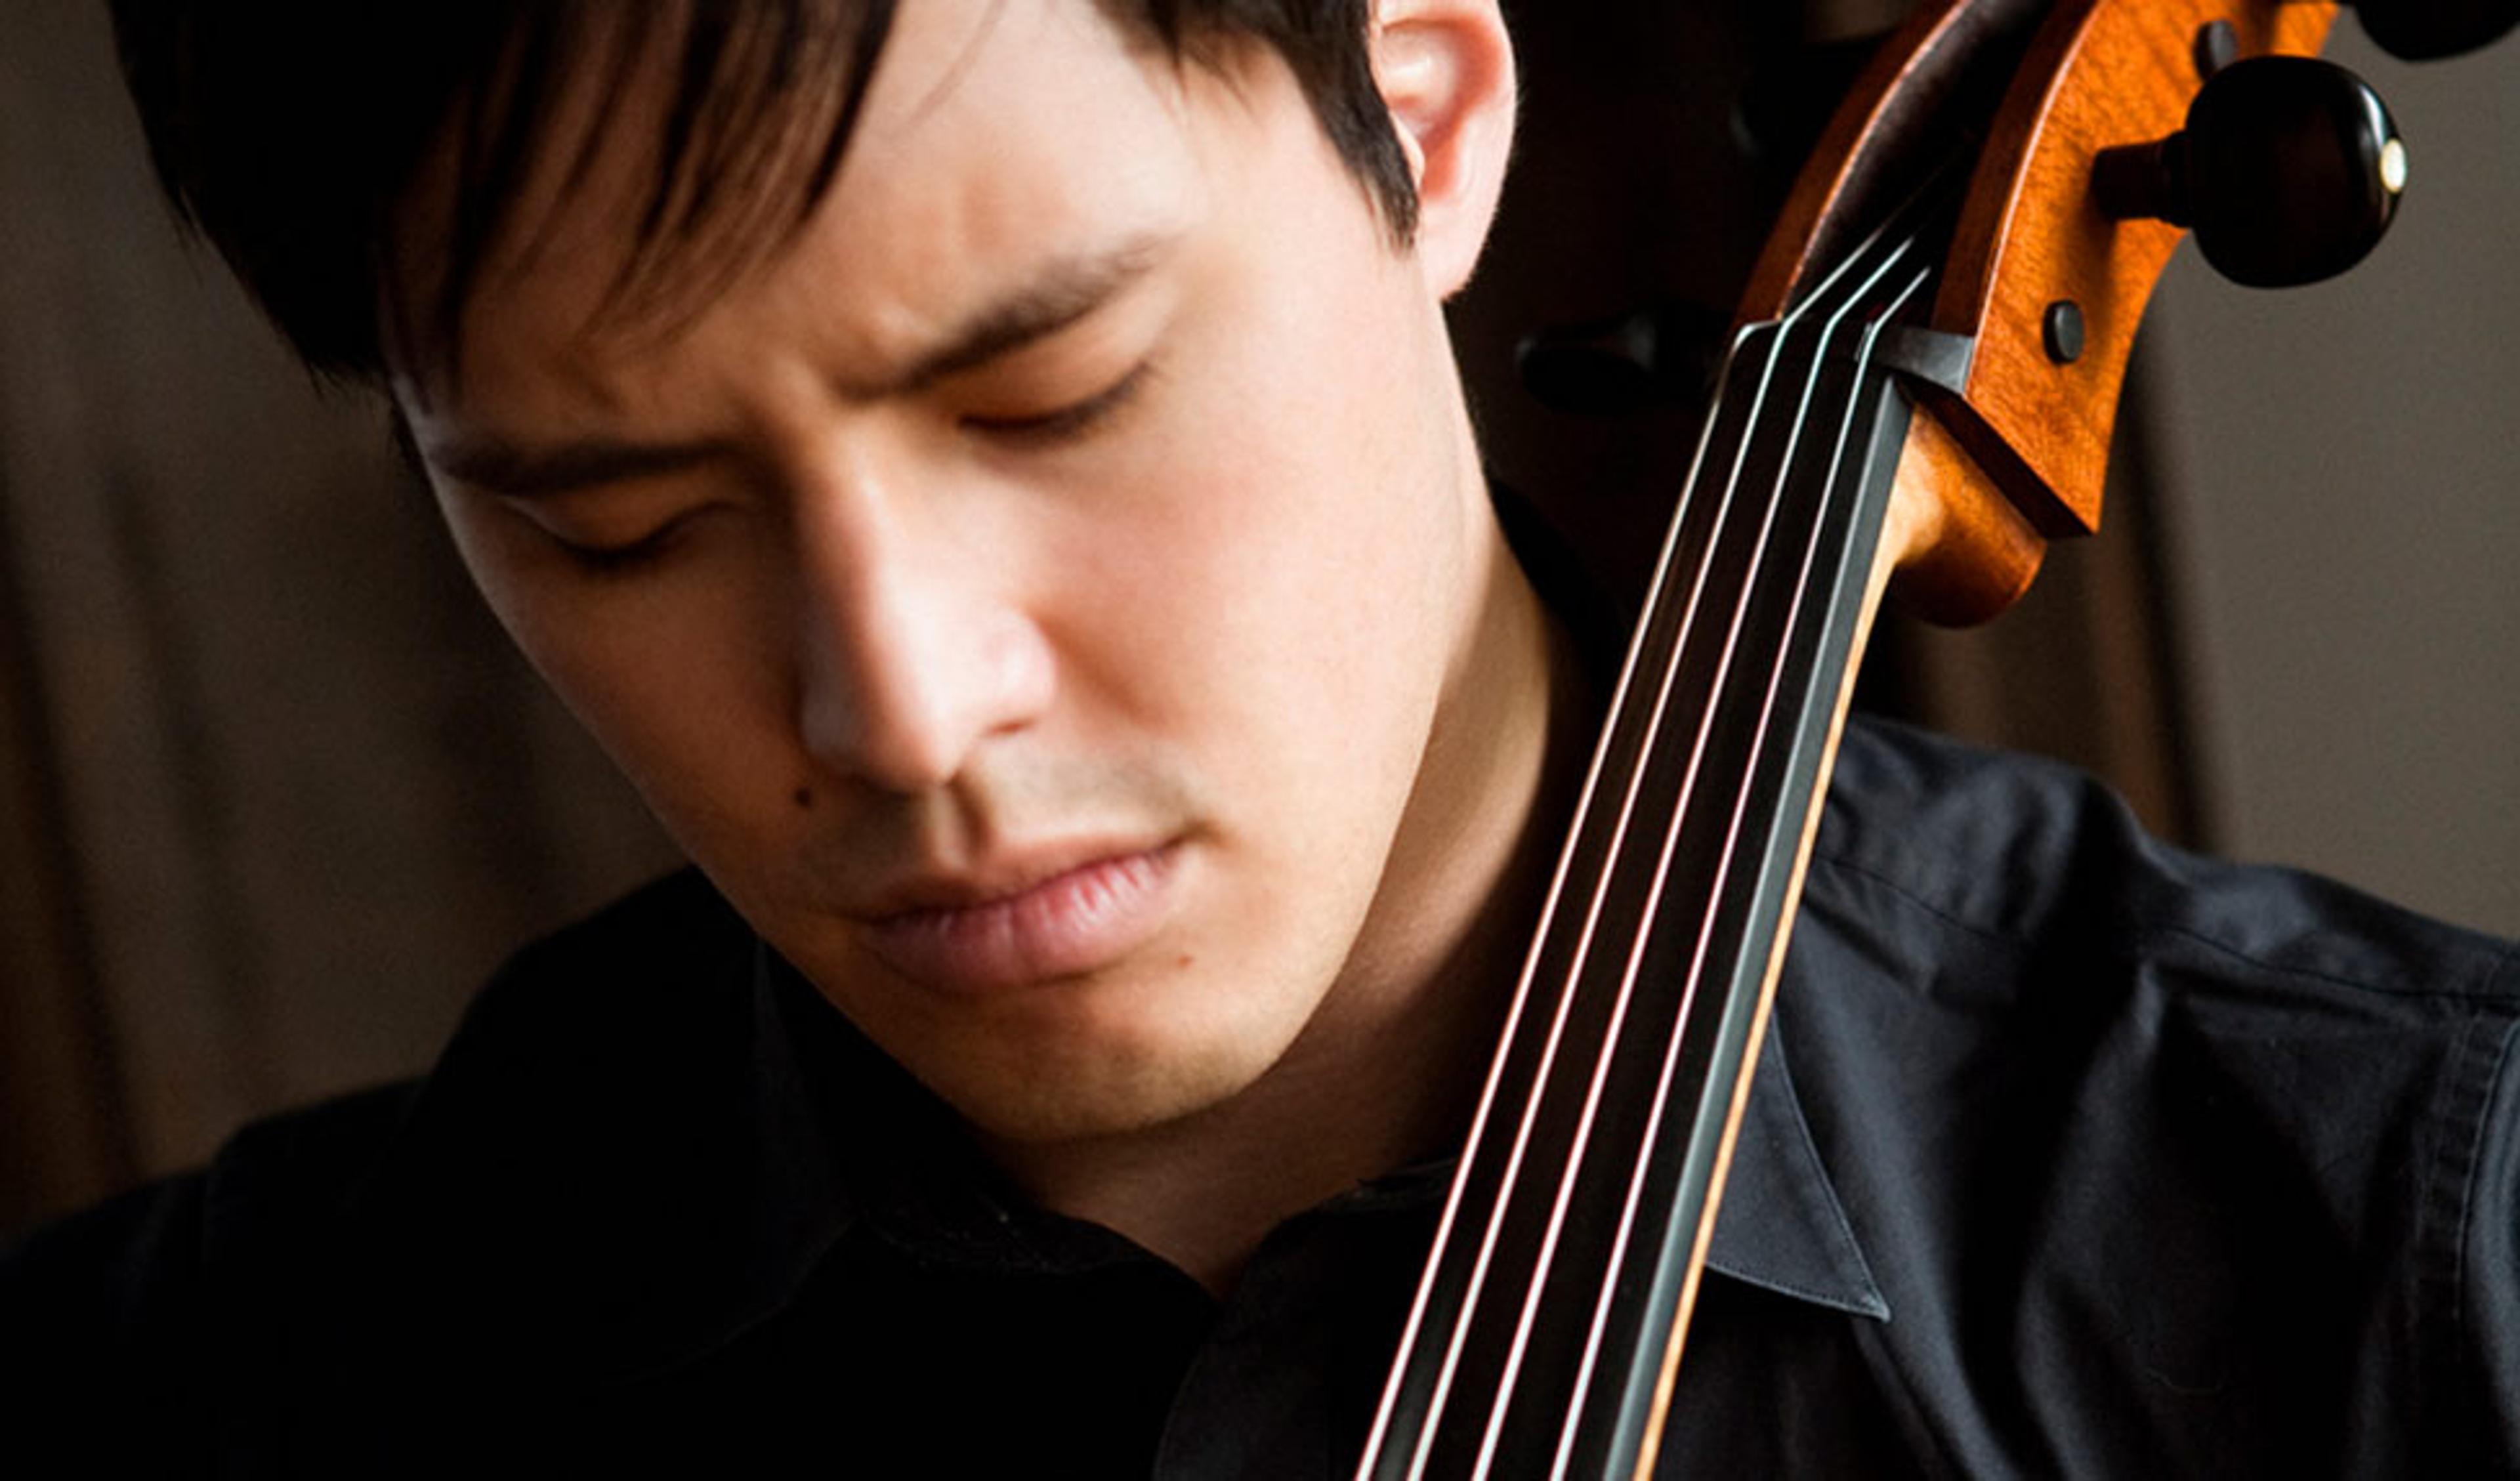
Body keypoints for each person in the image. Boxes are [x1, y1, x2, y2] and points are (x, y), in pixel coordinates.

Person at [4, 0, 2514, 1475]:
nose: (904, 706)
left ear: (1418, 116)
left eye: (1055, 392)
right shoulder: (240, 1373)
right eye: (622, 522)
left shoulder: (2416, 1275)